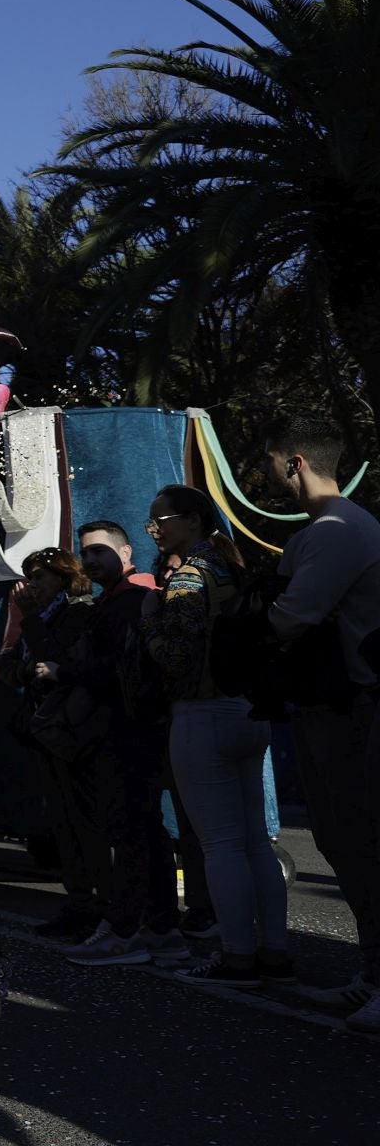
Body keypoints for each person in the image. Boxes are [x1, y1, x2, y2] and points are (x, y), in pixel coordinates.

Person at [142, 484, 290, 987]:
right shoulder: (234, 568)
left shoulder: (186, 579)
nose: (154, 529)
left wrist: (150, 624)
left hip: (202, 714)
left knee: (221, 845)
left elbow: (175, 659)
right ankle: (275, 950)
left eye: (159, 519)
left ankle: (237, 955)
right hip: (249, 710)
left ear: (189, 520)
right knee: (255, 842)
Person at [260, 415, 380, 1028]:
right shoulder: (326, 528)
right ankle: (370, 973)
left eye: (269, 459)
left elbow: (289, 617)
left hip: (349, 703)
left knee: (359, 837)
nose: (264, 471)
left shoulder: (338, 528)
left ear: (296, 462)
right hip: (324, 701)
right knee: (340, 840)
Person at [54, 522, 190, 967]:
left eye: (99, 551)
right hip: (124, 730)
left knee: (131, 829)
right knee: (143, 829)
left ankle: (126, 929)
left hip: (130, 731)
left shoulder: (129, 603)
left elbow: (120, 669)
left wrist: (63, 672)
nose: (90, 560)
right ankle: (160, 927)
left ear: (125, 551)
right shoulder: (114, 601)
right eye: (85, 553)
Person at [0, 546, 106, 939]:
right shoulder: (38, 617)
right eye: (29, 575)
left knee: (84, 819)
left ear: (63, 577)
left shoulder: (76, 612)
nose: (31, 585)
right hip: (46, 729)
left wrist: (31, 632)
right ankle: (79, 902)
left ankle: (100, 905)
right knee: (63, 819)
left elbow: (56, 663)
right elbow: (13, 666)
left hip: (74, 729)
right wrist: (27, 667)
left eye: (40, 576)